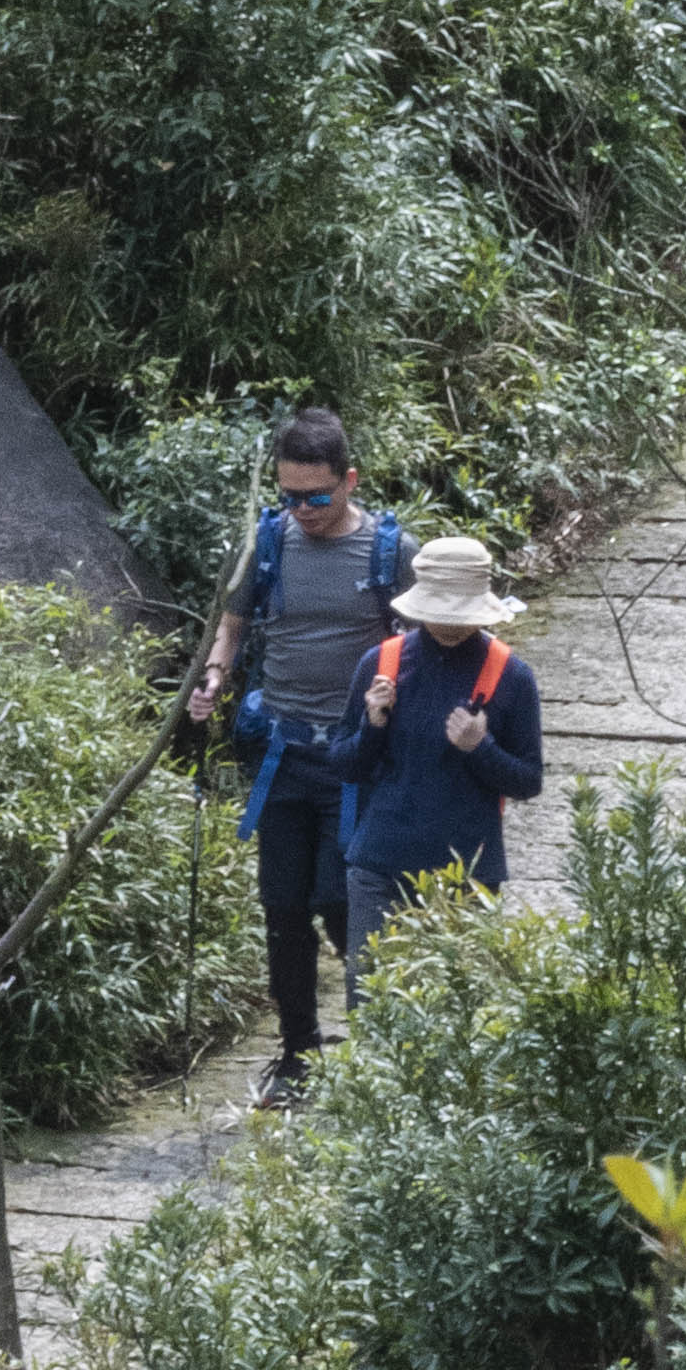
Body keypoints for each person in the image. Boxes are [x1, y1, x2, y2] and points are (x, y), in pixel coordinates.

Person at [188, 412, 407, 1092]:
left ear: (350, 480)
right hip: (281, 753)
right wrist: (215, 676)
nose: (303, 511)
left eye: (316, 496)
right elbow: (233, 623)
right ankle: (297, 1053)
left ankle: (389, 1043)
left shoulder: (388, 552)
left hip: (355, 761)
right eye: (290, 496)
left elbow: (417, 644)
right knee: (283, 907)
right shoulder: (270, 542)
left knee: (343, 902)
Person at [330, 530, 542, 981]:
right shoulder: (381, 662)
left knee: (458, 1014)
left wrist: (478, 749)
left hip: (467, 873)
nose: (448, 624)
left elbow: (528, 780)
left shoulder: (512, 676)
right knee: (370, 1001)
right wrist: (374, 724)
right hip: (379, 867)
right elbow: (344, 764)